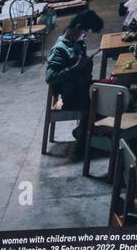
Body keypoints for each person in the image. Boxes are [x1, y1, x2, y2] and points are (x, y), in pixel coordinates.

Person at [44, 8, 104, 156]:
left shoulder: (78, 43)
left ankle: (87, 132)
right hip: (69, 96)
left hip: (82, 89)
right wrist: (75, 68)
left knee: (107, 90)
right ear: (78, 28)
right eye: (85, 32)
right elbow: (50, 78)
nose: (85, 36)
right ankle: (85, 136)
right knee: (101, 99)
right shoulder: (59, 49)